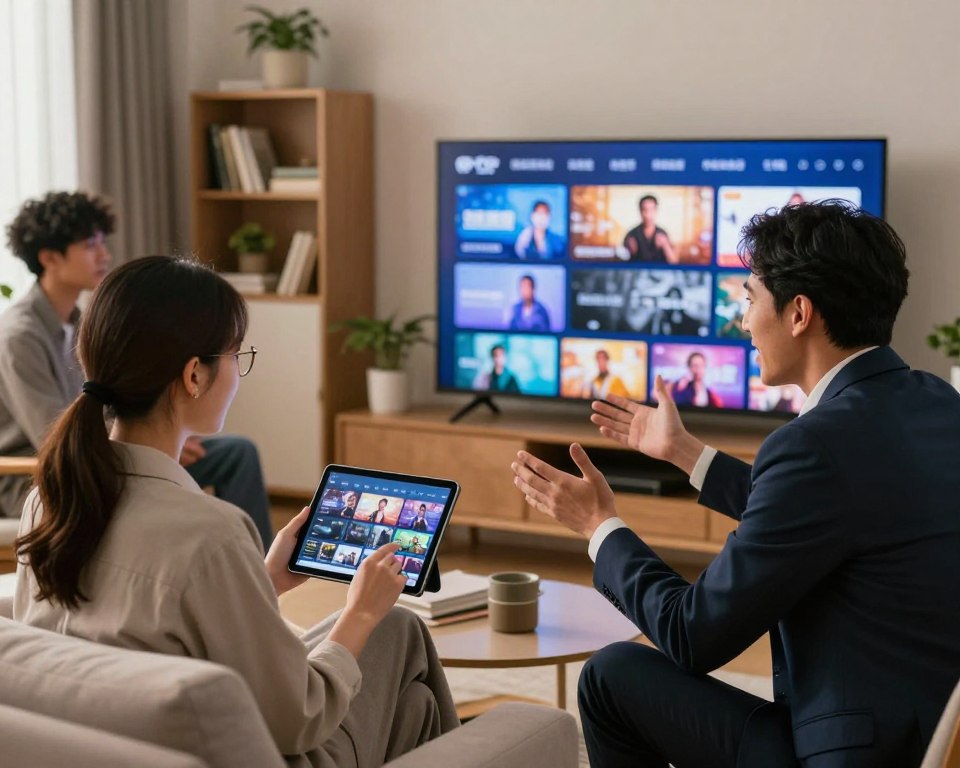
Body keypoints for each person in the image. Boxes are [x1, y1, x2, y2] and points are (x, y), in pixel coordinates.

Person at [512, 200, 960, 768]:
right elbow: (826, 512)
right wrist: (685, 453)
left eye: (749, 299)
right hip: (933, 737)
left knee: (610, 676)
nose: (744, 321)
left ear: (799, 313)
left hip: (850, 754)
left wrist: (599, 526)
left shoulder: (813, 445)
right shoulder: (936, 402)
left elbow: (693, 635)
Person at [13, 256, 459, 766]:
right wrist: (360, 611)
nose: (239, 371)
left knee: (414, 706)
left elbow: (144, 634)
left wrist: (263, 579)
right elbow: (298, 720)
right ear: (194, 375)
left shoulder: (48, 501)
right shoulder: (211, 532)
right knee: (395, 628)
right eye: (235, 355)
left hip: (111, 747)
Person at [0, 192, 272, 547]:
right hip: (44, 475)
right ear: (49, 257)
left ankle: (255, 563)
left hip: (111, 451)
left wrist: (167, 431)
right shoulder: (19, 337)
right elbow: (48, 433)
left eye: (102, 242)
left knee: (236, 452)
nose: (104, 254)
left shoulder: (82, 323)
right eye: (90, 245)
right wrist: (150, 436)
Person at [622, 195, 678, 264]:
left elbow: (674, 262)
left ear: (656, 211)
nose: (647, 215)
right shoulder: (631, 235)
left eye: (651, 210)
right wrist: (629, 251)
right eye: (644, 210)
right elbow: (620, 261)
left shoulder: (662, 233)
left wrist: (665, 245)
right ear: (640, 211)